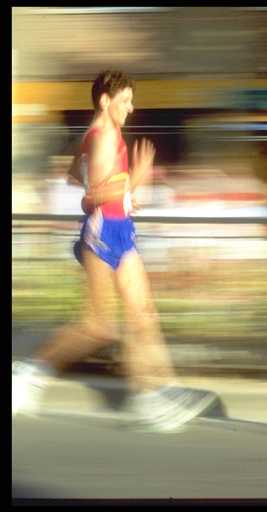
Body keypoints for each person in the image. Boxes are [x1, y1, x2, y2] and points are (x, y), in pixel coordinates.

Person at [12, 70, 215, 432]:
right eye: (125, 100)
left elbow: (77, 175)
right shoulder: (103, 135)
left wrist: (122, 193)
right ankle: (28, 372)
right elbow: (90, 197)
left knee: (144, 313)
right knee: (98, 327)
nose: (131, 108)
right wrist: (135, 178)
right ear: (106, 101)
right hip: (103, 234)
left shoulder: (101, 134)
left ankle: (155, 395)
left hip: (120, 228)